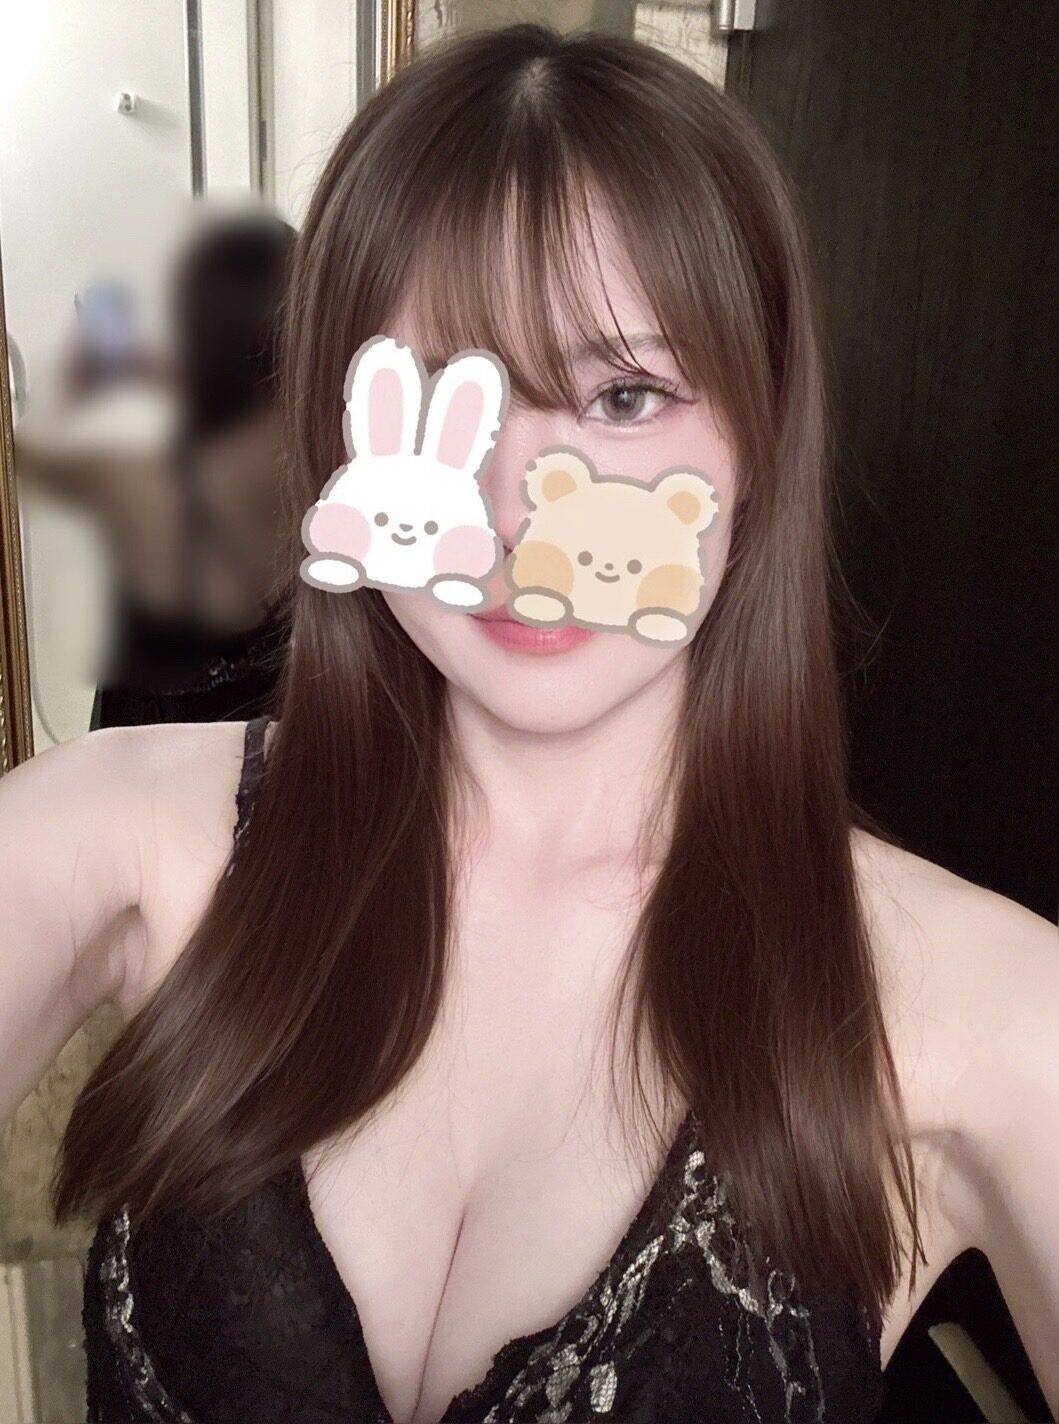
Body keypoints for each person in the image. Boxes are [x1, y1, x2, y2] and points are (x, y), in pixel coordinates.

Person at [1, 22, 1055, 1424]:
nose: (512, 516)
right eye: (443, 400)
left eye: (623, 395)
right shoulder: (119, 830)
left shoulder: (992, 1013)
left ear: (757, 443)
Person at [13, 205, 295, 730]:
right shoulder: (312, 448)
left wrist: (88, 369)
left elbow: (26, 448)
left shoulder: (137, 460)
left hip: (144, 746)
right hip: (268, 737)